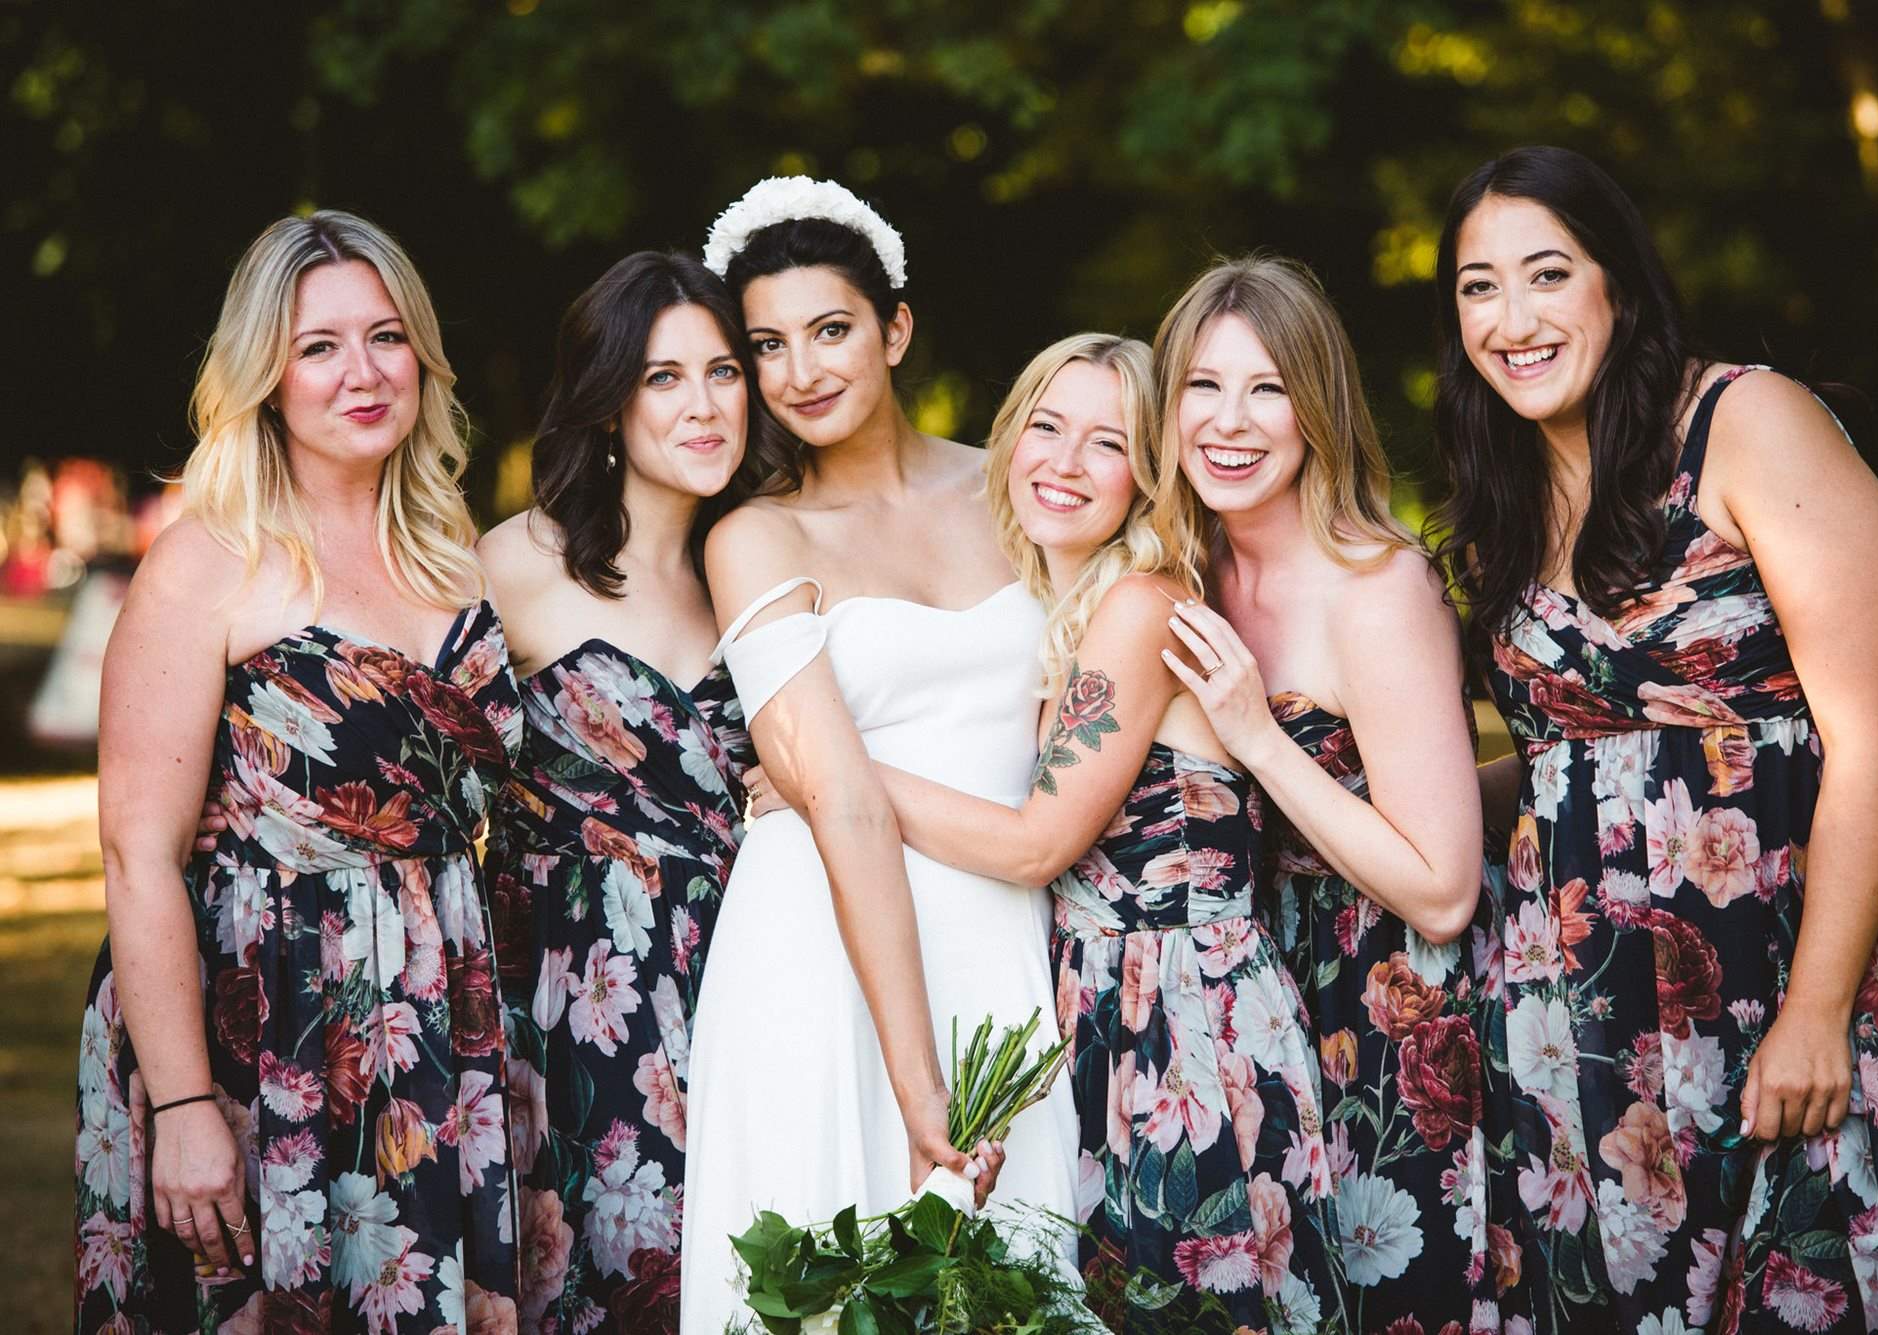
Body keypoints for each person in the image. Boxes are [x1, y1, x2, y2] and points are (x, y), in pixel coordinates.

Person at [1434, 144, 1878, 1331]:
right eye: (1478, 286)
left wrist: (1815, 1011)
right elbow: (1566, 768)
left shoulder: (1744, 422)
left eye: (1546, 274)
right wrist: (1345, 799)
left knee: (1821, 1286)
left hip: (1802, 965)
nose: (1512, 319)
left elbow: (1872, 731)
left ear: (1618, 282)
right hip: (1596, 1018)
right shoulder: (1504, 496)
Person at [753, 331, 1342, 1334]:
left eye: (1107, 443)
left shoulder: (1140, 606)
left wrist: (828, 774)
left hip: (1187, 1026)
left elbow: (1037, 844)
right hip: (1108, 1014)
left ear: (1149, 472)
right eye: (1046, 426)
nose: (1065, 462)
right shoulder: (1059, 613)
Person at [76, 211, 522, 1329]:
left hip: (437, 1016)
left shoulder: (456, 554)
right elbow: (138, 854)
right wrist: (185, 1103)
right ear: (264, 379)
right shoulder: (210, 560)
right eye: (319, 346)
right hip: (267, 1020)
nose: (362, 372)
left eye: (386, 336)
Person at [676, 178, 1078, 1329]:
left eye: (830, 330)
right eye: (766, 346)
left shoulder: (1014, 488)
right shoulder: (756, 537)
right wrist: (917, 1084)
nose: (800, 371)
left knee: (1013, 1277)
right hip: (819, 947)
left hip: (1003, 925)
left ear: (894, 329)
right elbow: (841, 801)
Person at [1150, 255, 1523, 1332]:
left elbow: (1442, 890)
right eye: (1202, 385)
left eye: (1266, 388)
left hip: (1384, 1008)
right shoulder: (1179, 566)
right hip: (1238, 1007)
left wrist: (1258, 740)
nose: (1229, 421)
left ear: (1316, 410)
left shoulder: (1377, 586)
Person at [477, 250, 778, 1330]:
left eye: (723, 372)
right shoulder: (516, 565)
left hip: (751, 981)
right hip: (574, 1006)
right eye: (663, 377)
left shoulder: (765, 566)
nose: (704, 405)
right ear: (608, 401)